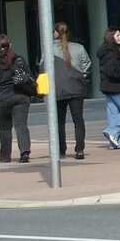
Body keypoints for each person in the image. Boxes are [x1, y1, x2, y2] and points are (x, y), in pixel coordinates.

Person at [44, 22, 91, 160]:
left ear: (56, 33)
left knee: (59, 121)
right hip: (76, 87)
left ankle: (61, 150)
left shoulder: (49, 49)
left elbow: (42, 67)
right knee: (78, 120)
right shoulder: (79, 48)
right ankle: (80, 149)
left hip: (58, 88)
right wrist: (83, 81)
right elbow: (87, 67)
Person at [0, 34, 32, 163]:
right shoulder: (19, 59)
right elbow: (29, 76)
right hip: (20, 96)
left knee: (4, 128)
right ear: (10, 45)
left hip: (1, 98)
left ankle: (5, 156)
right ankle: (24, 152)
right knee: (21, 124)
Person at [97, 27, 120, 150]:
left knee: (113, 112)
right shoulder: (110, 52)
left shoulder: (107, 51)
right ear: (111, 37)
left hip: (109, 86)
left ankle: (116, 141)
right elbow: (112, 70)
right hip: (116, 86)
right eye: (118, 35)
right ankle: (112, 132)